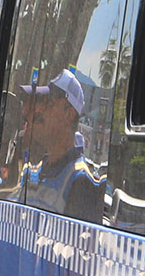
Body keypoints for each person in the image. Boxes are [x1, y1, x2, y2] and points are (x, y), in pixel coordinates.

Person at [19, 66, 106, 222]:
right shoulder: (35, 171)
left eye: (50, 104)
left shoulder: (80, 183)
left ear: (68, 113)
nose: (41, 111)